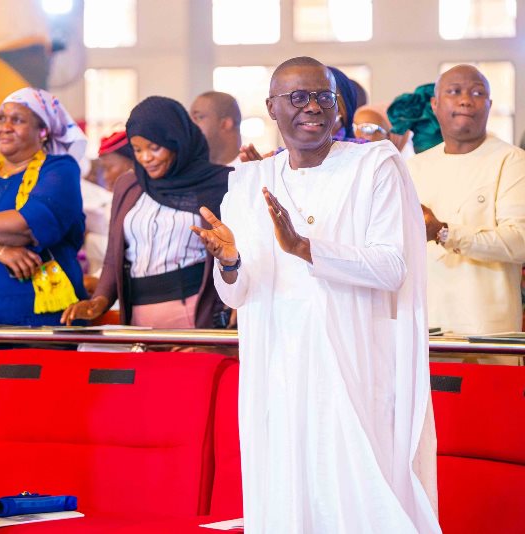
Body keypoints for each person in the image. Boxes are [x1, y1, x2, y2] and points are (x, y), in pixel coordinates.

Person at [192, 57, 440, 533]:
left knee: (360, 497)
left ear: (339, 106)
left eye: (324, 96)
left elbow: (392, 267)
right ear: (271, 107)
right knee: (290, 494)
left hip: (353, 366)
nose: (313, 107)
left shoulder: (374, 168)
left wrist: (306, 248)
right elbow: (238, 294)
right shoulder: (247, 184)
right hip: (277, 371)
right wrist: (228, 261)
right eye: (298, 97)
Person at [62, 96, 230, 328]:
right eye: (137, 150)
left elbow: (238, 254)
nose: (145, 158)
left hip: (196, 312)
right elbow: (114, 256)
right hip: (137, 314)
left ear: (176, 141)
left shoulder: (219, 183)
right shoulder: (129, 185)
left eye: (154, 148)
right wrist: (100, 300)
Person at [0, 87, 88, 326]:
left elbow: (27, 226)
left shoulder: (59, 169)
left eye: (17, 120)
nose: (5, 126)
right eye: (1, 118)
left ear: (43, 131)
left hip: (38, 327)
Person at [408, 64, 525, 335]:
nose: (465, 99)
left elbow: (519, 242)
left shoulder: (511, 161)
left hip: (489, 329)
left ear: (489, 105)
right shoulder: (415, 167)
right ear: (435, 104)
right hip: (427, 326)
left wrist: (444, 233)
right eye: (454, 91)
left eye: (477, 92)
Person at [190, 91, 243, 166]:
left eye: (199, 117)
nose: (189, 124)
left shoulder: (255, 172)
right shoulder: (190, 172)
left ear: (225, 124)